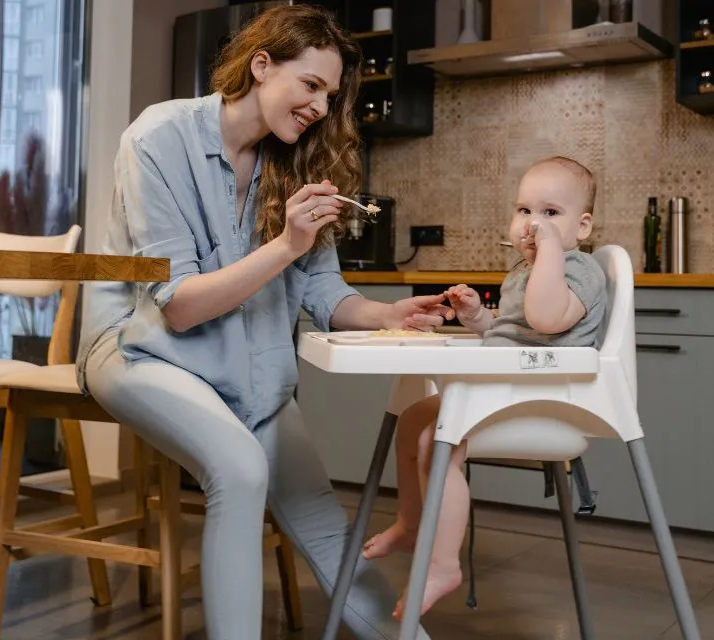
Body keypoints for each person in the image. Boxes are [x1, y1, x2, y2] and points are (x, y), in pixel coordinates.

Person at [75, 5, 452, 639]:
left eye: (330, 96)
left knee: (325, 524)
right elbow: (179, 304)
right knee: (241, 467)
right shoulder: (159, 138)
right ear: (260, 65)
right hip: (144, 352)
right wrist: (286, 244)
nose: (320, 108)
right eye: (310, 85)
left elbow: (325, 294)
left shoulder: (297, 163)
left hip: (252, 371)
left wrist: (388, 314)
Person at [361, 156, 608, 619]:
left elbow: (546, 318)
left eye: (551, 214)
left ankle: (442, 564)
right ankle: (412, 525)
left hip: (547, 400)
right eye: (524, 211)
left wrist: (551, 252)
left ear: (583, 227)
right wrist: (479, 318)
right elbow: (515, 331)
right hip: (510, 387)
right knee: (413, 417)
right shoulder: (523, 271)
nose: (534, 224)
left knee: (435, 441)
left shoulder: (580, 270)